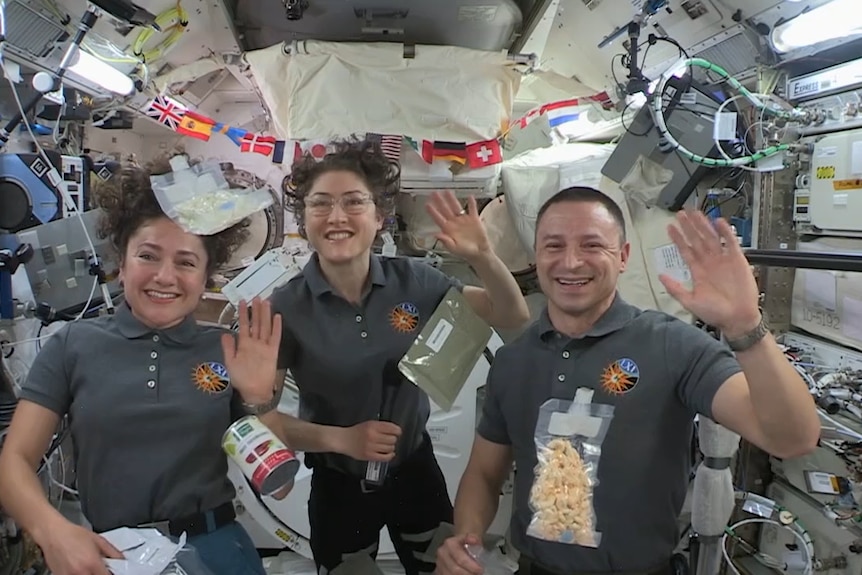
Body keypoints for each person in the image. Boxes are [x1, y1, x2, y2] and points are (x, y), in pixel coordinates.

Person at [435, 186, 821, 575]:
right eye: (553, 246)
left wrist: (745, 325)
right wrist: (467, 538)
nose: (570, 262)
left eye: (591, 245)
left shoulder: (673, 345)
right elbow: (484, 473)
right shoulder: (514, 361)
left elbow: (793, 438)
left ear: (622, 258)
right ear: (537, 258)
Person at [230, 137, 531, 574]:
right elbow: (265, 420)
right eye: (320, 204)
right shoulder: (285, 310)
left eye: (353, 202)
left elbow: (512, 313)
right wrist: (342, 439)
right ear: (304, 219)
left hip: (416, 470)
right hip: (338, 483)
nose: (336, 216)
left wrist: (483, 256)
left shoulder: (415, 281)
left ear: (379, 216)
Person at [0, 155, 281, 575]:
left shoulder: (227, 349)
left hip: (218, 552)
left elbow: (275, 482)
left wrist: (259, 400)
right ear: (121, 261)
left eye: (186, 262)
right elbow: (14, 460)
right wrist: (51, 530)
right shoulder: (74, 345)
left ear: (207, 276)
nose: (165, 276)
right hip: (112, 556)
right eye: (148, 256)